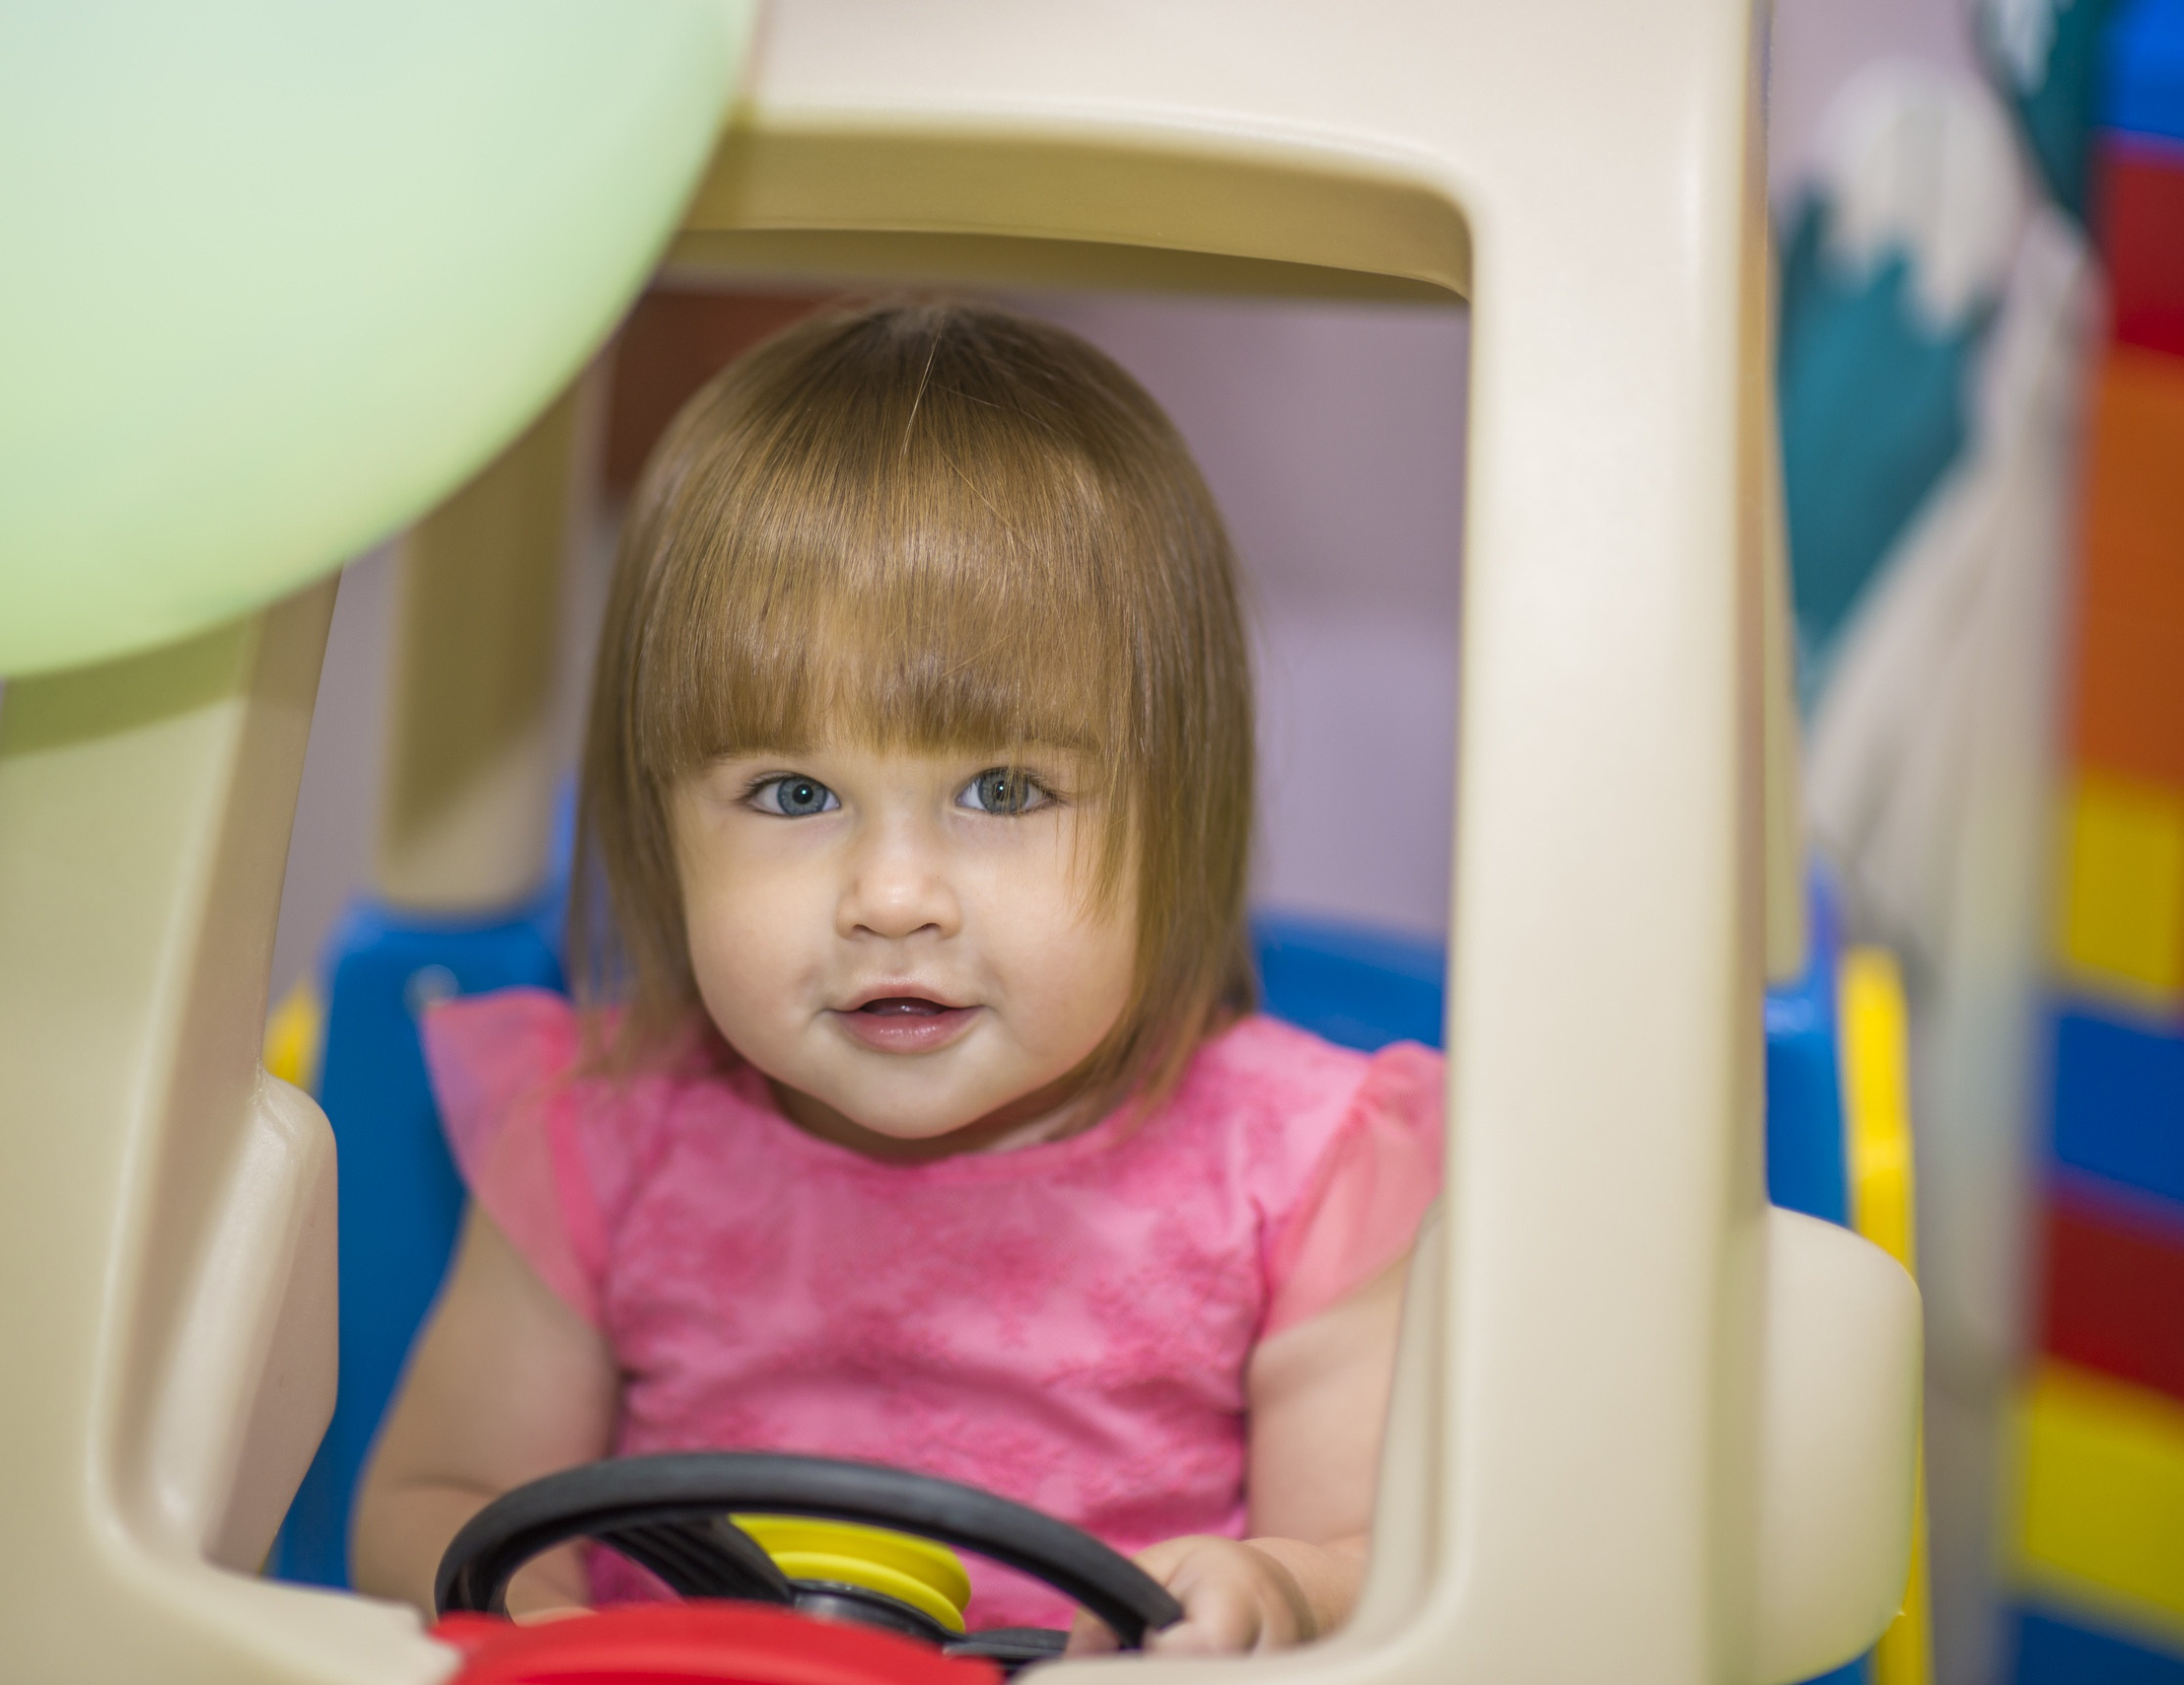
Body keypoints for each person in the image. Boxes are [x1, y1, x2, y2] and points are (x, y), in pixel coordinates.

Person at [350, 300, 1443, 1656]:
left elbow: (1378, 1558)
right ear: (659, 820)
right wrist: (550, 1628)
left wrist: (1274, 1592)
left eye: (1003, 788)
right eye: (794, 791)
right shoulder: (601, 1138)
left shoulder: (1297, 1168)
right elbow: (433, 1496)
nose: (893, 898)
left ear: (1180, 808)